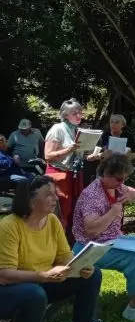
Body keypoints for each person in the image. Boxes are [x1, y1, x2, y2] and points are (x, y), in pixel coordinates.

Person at [0, 176, 135, 322]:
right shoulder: (9, 226)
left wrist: (80, 266)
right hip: (13, 289)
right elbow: (5, 275)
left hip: (43, 282)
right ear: (30, 200)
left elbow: (65, 256)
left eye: (55, 193)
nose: (55, 198)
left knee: (92, 275)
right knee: (33, 294)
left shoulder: (52, 221)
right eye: (48, 194)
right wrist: (44, 276)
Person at [72, 154, 135, 322]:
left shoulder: (114, 186)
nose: (122, 183)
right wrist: (113, 211)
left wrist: (132, 196)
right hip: (90, 247)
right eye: (119, 179)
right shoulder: (93, 196)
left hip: (112, 239)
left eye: (125, 179)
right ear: (105, 174)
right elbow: (91, 230)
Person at [44, 98, 87, 237]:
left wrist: (91, 156)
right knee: (60, 212)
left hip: (74, 176)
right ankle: (56, 246)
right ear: (65, 115)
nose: (79, 116)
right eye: (75, 113)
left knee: (74, 211)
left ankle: (70, 244)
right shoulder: (57, 129)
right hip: (59, 176)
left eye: (80, 112)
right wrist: (68, 150)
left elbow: (79, 154)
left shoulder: (77, 130)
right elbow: (48, 155)